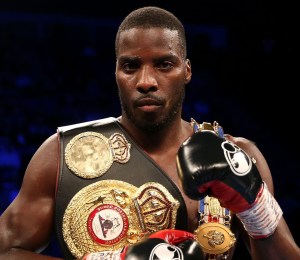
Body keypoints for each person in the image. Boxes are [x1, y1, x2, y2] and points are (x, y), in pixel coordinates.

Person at [0, 6, 299, 260]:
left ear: (187, 70)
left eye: (164, 64)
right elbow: (6, 249)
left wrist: (256, 204)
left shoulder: (237, 155)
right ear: (116, 73)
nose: (146, 81)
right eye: (131, 66)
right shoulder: (61, 153)